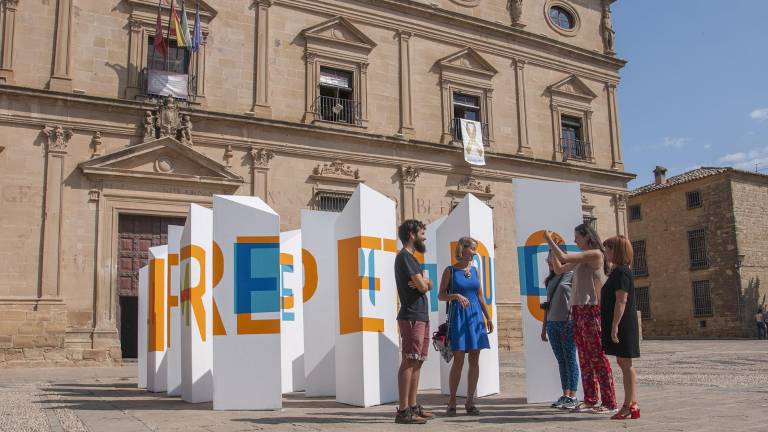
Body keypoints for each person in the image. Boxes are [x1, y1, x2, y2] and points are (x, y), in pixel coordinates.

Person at [545, 225, 617, 414]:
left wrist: (550, 240)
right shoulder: (582, 256)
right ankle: (591, 399)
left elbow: (564, 257)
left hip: (591, 309)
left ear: (587, 236)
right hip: (577, 310)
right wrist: (552, 248)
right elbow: (560, 268)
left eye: (577, 237)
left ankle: (609, 402)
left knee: (597, 357)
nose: (575, 240)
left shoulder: (594, 254)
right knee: (584, 358)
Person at [438, 236, 494, 416]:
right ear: (463, 249)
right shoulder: (450, 271)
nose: (475, 252)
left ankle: (470, 400)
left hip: (475, 317)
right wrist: (455, 296)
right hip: (459, 318)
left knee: (475, 359)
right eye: (472, 248)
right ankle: (452, 400)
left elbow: (480, 296)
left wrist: (488, 317)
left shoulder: (475, 271)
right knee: (459, 360)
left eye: (476, 249)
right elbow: (440, 295)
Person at [394, 220, 434, 424]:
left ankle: (412, 405)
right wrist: (425, 283)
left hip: (420, 315)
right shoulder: (405, 258)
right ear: (411, 234)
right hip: (411, 315)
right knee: (409, 359)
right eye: (422, 232)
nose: (424, 236)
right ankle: (403, 411)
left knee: (418, 360)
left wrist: (426, 283)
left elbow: (428, 283)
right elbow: (422, 285)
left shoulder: (412, 258)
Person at [601, 236, 641, 420]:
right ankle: (632, 404)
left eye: (607, 249)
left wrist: (615, 325)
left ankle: (629, 405)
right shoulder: (618, 272)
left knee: (626, 364)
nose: (605, 253)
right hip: (621, 322)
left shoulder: (621, 273)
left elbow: (621, 300)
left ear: (615, 251)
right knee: (623, 363)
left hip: (623, 323)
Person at [541, 250, 579, 410]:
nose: (549, 261)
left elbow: (578, 297)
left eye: (552, 258)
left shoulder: (571, 274)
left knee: (570, 359)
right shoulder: (550, 280)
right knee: (561, 361)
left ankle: (573, 396)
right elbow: (547, 305)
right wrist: (544, 328)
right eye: (548, 259)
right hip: (552, 323)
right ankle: (565, 395)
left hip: (567, 322)